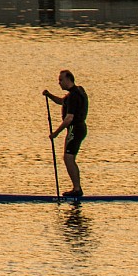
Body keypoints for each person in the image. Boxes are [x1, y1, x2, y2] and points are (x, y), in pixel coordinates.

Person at [42, 70, 87, 198]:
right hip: (79, 128)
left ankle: (77, 189)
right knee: (69, 157)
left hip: (75, 129)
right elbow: (61, 101)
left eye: (61, 80)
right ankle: (76, 188)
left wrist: (55, 133)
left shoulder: (73, 95)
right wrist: (49, 95)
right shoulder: (77, 91)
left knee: (68, 158)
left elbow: (69, 118)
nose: (59, 83)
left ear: (68, 79)